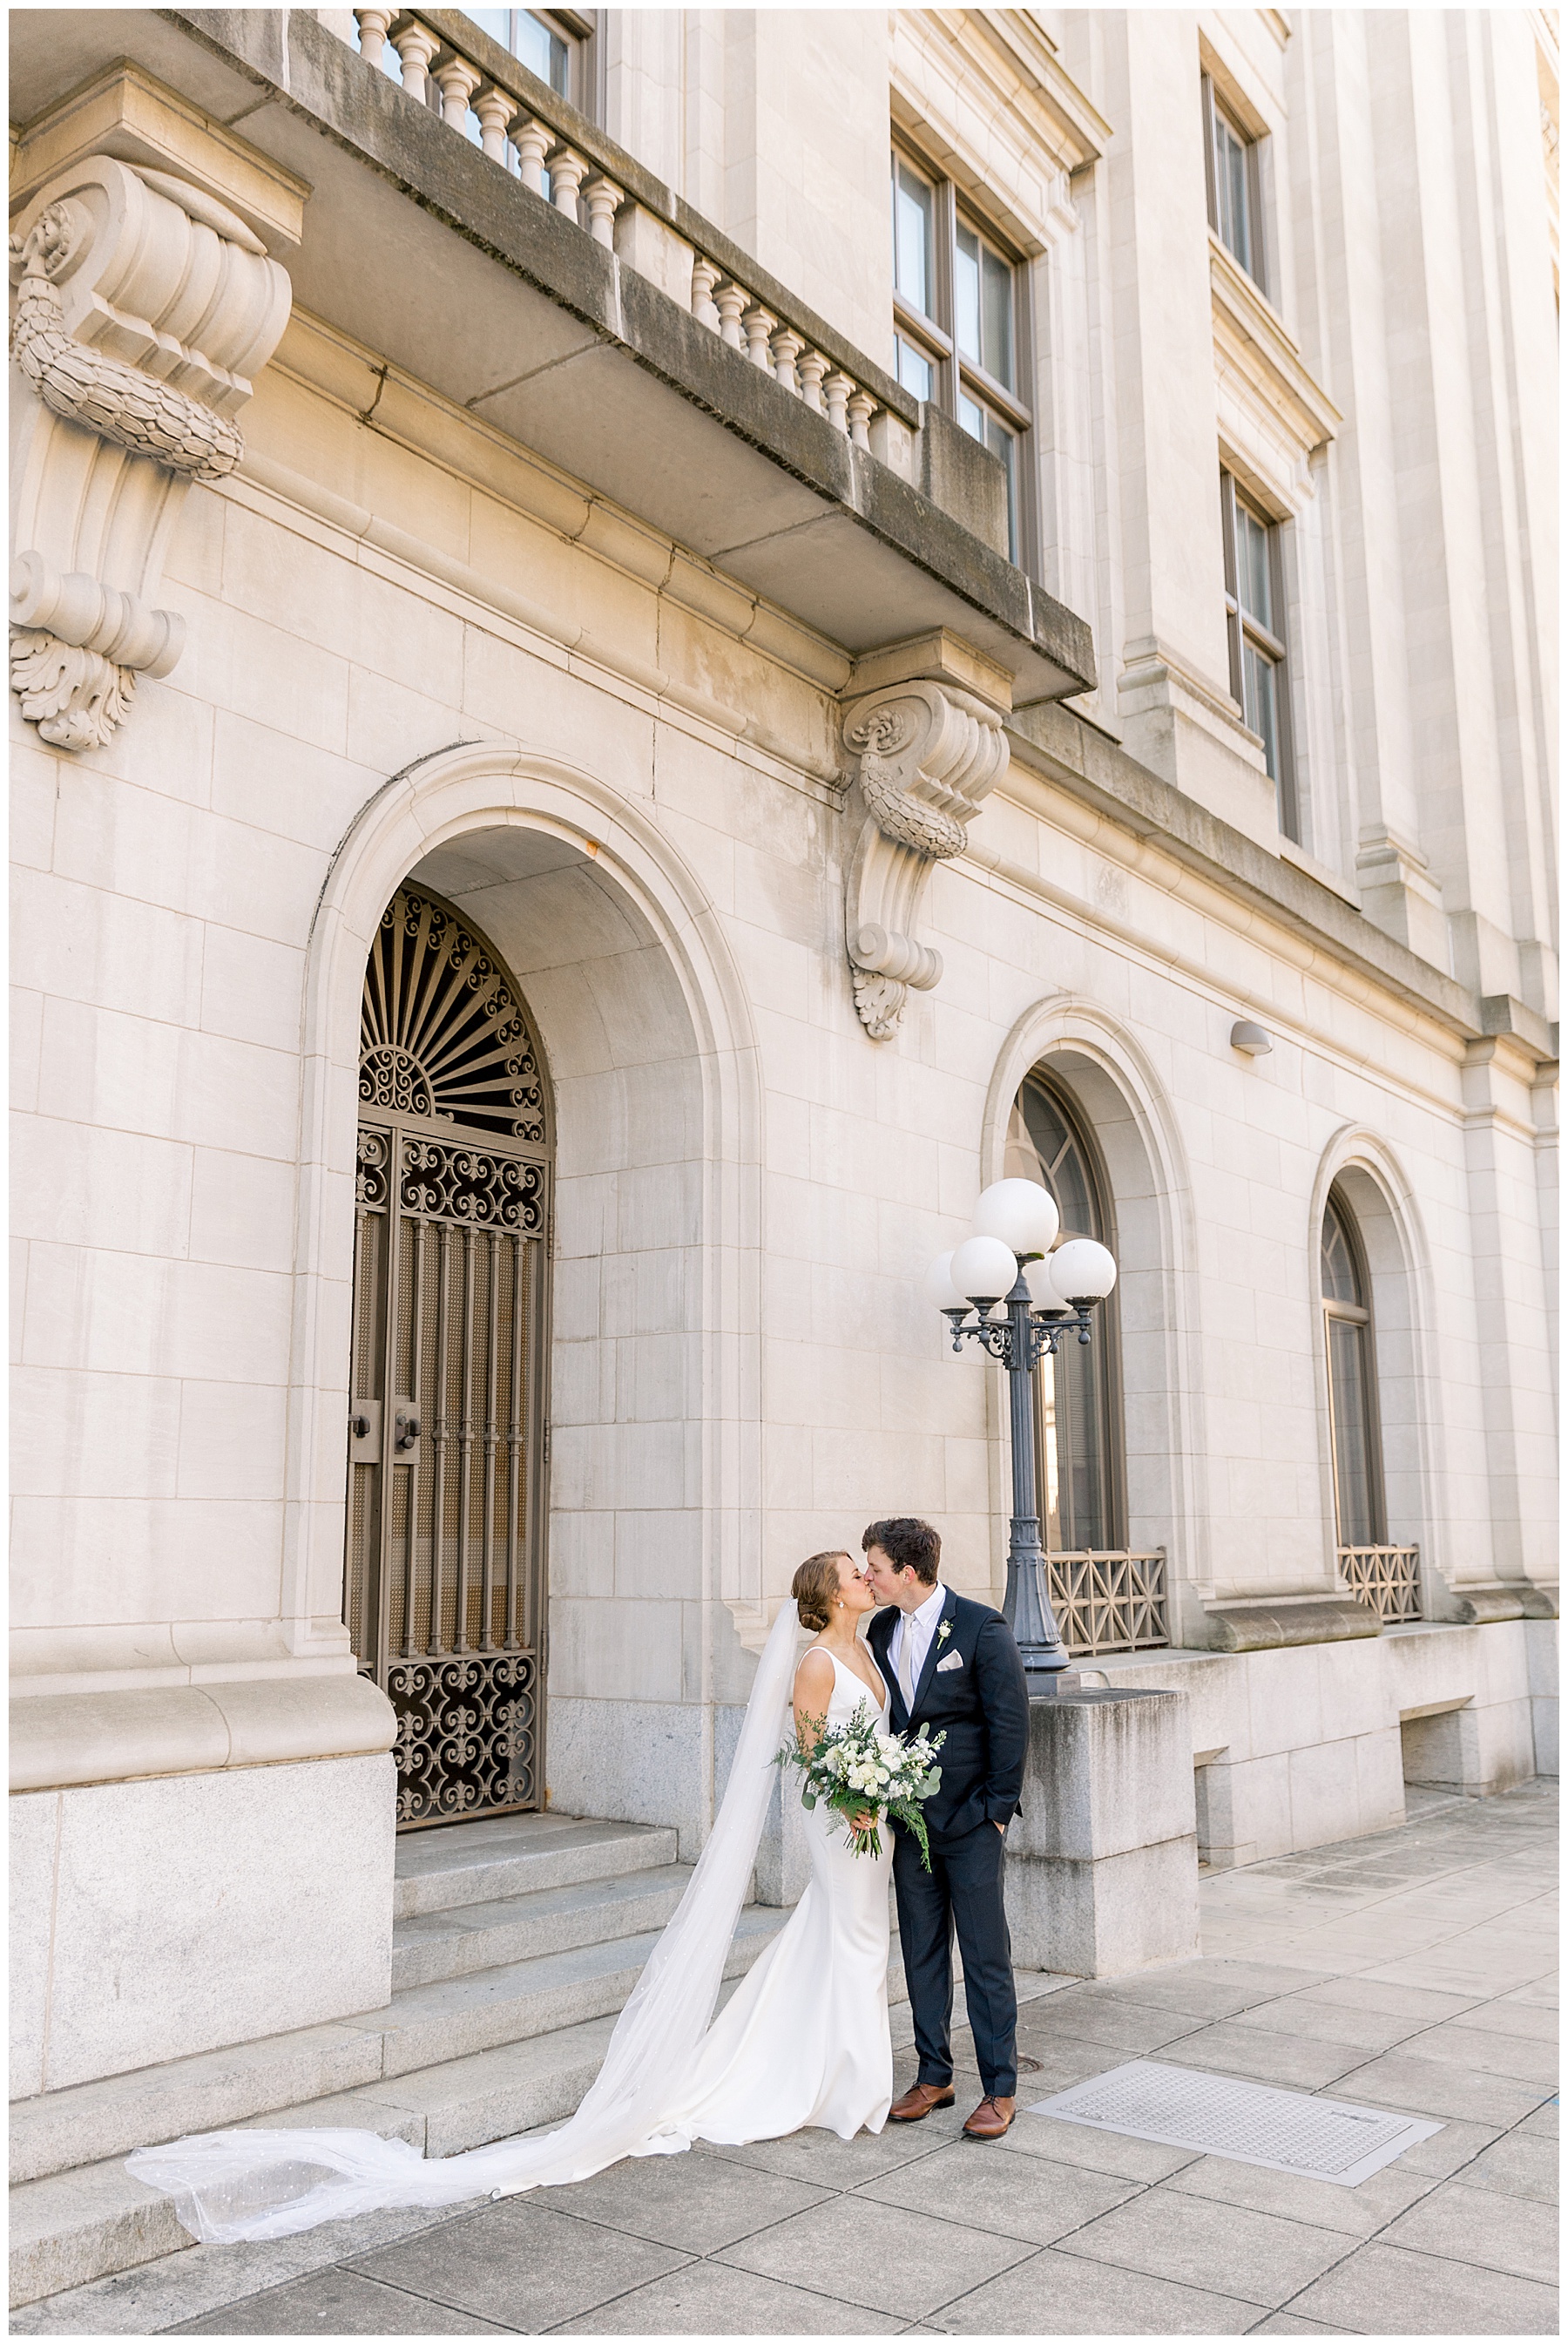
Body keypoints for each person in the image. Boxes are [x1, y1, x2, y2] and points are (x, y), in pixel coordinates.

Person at [126, 1549, 899, 2243]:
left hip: (876, 1815)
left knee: (843, 1936)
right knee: (854, 1935)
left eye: (864, 1572)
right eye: (852, 1573)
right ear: (825, 1597)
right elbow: (810, 1753)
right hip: (840, 1822)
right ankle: (851, 2084)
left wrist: (887, 1785)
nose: (865, 1577)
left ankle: (831, 2071)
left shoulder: (863, 1648)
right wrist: (856, 1796)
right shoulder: (815, 1666)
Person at [863, 1516, 1030, 2140]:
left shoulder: (982, 1627)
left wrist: (995, 1811)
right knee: (922, 1950)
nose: (868, 1576)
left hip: (971, 1822)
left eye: (875, 1566)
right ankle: (934, 2074)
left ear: (908, 1571)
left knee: (987, 1955)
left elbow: (1010, 1723)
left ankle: (1000, 2088)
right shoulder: (880, 1628)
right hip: (909, 1823)